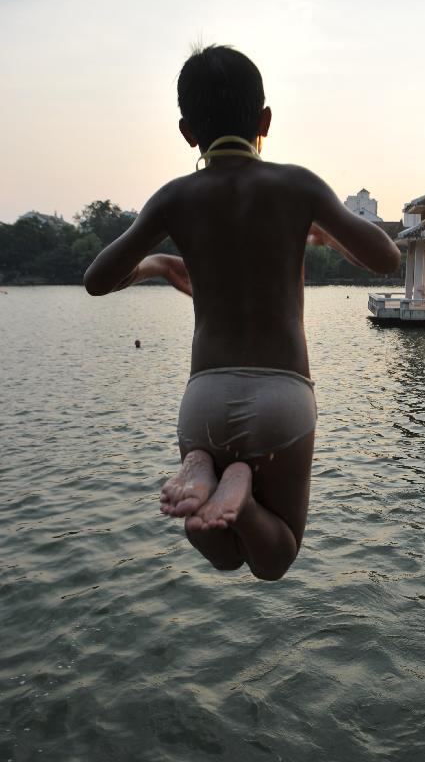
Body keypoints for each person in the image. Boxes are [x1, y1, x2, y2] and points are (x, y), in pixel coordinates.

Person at [84, 45, 400, 581]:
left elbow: (97, 280)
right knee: (274, 557)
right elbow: (385, 257)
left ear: (187, 132)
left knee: (225, 554)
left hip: (204, 397)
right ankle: (243, 499)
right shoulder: (297, 185)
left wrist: (158, 261)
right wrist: (320, 229)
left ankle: (204, 470)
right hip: (282, 394)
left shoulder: (175, 198)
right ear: (265, 121)